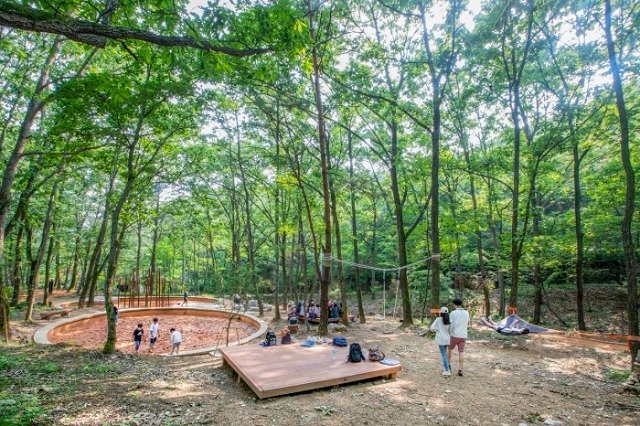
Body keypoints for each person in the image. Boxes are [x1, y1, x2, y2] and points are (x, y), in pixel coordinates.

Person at [448, 298, 470, 377]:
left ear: (454, 304)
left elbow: (451, 324)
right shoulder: (466, 313)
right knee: (461, 352)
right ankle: (460, 369)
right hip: (463, 335)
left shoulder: (453, 313)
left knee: (449, 349)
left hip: (454, 335)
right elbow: (468, 323)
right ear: (460, 304)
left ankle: (448, 365)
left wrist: (449, 332)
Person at [430, 306, 452, 377]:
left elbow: (431, 328)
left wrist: (437, 330)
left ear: (441, 313)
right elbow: (450, 331)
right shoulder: (449, 320)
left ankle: (447, 370)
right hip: (447, 339)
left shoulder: (438, 319)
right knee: (444, 354)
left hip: (441, 339)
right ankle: (445, 368)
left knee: (443, 355)